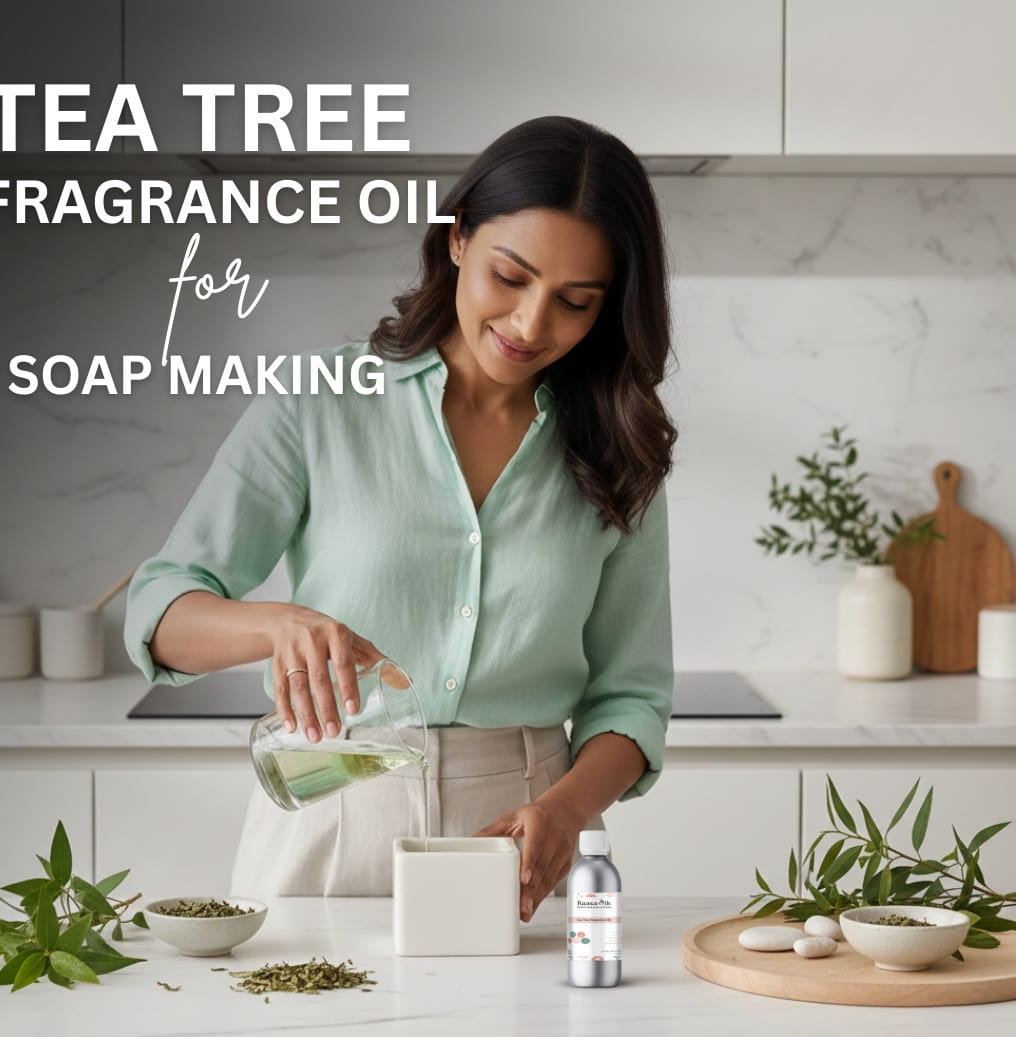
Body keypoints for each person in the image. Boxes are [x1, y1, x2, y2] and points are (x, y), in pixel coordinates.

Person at [124, 115, 676, 922]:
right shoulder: (317, 402)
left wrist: (566, 809)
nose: (530, 325)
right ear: (455, 241)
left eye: (575, 301)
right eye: (510, 277)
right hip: (331, 805)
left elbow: (630, 697)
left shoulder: (620, 448)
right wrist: (276, 625)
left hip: (521, 838)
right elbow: (160, 609)